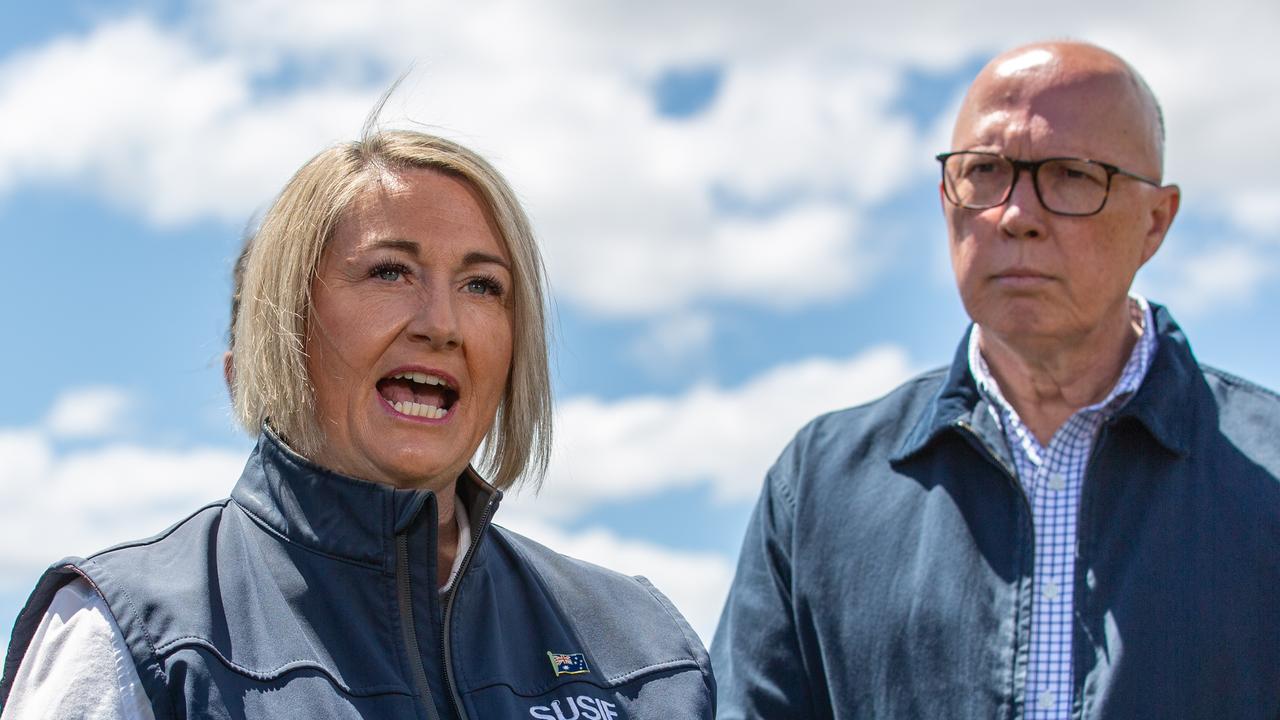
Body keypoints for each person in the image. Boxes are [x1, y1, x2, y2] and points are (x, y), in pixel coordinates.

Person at [0, 129, 715, 719]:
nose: (442, 324)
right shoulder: (137, 635)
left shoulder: (645, 651)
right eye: (389, 272)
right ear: (285, 324)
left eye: (481, 286)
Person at [712, 40, 1280, 719]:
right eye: (985, 171)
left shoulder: (1266, 474)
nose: (1015, 215)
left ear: (1155, 221)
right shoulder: (819, 486)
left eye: (1072, 175)